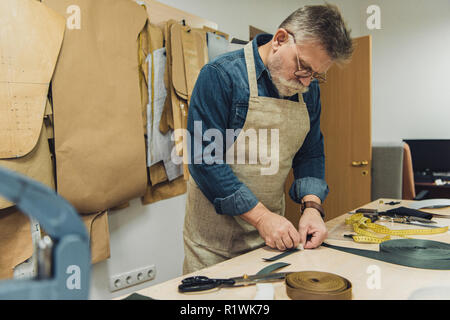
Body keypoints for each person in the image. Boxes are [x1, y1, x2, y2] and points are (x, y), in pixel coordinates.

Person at [182, 4, 353, 274]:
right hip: (214, 245)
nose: (306, 82)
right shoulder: (220, 76)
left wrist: (312, 207)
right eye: (303, 67)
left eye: (315, 75)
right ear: (280, 39)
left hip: (271, 239)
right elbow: (205, 160)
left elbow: (310, 152)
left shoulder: (308, 90)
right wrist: (261, 217)